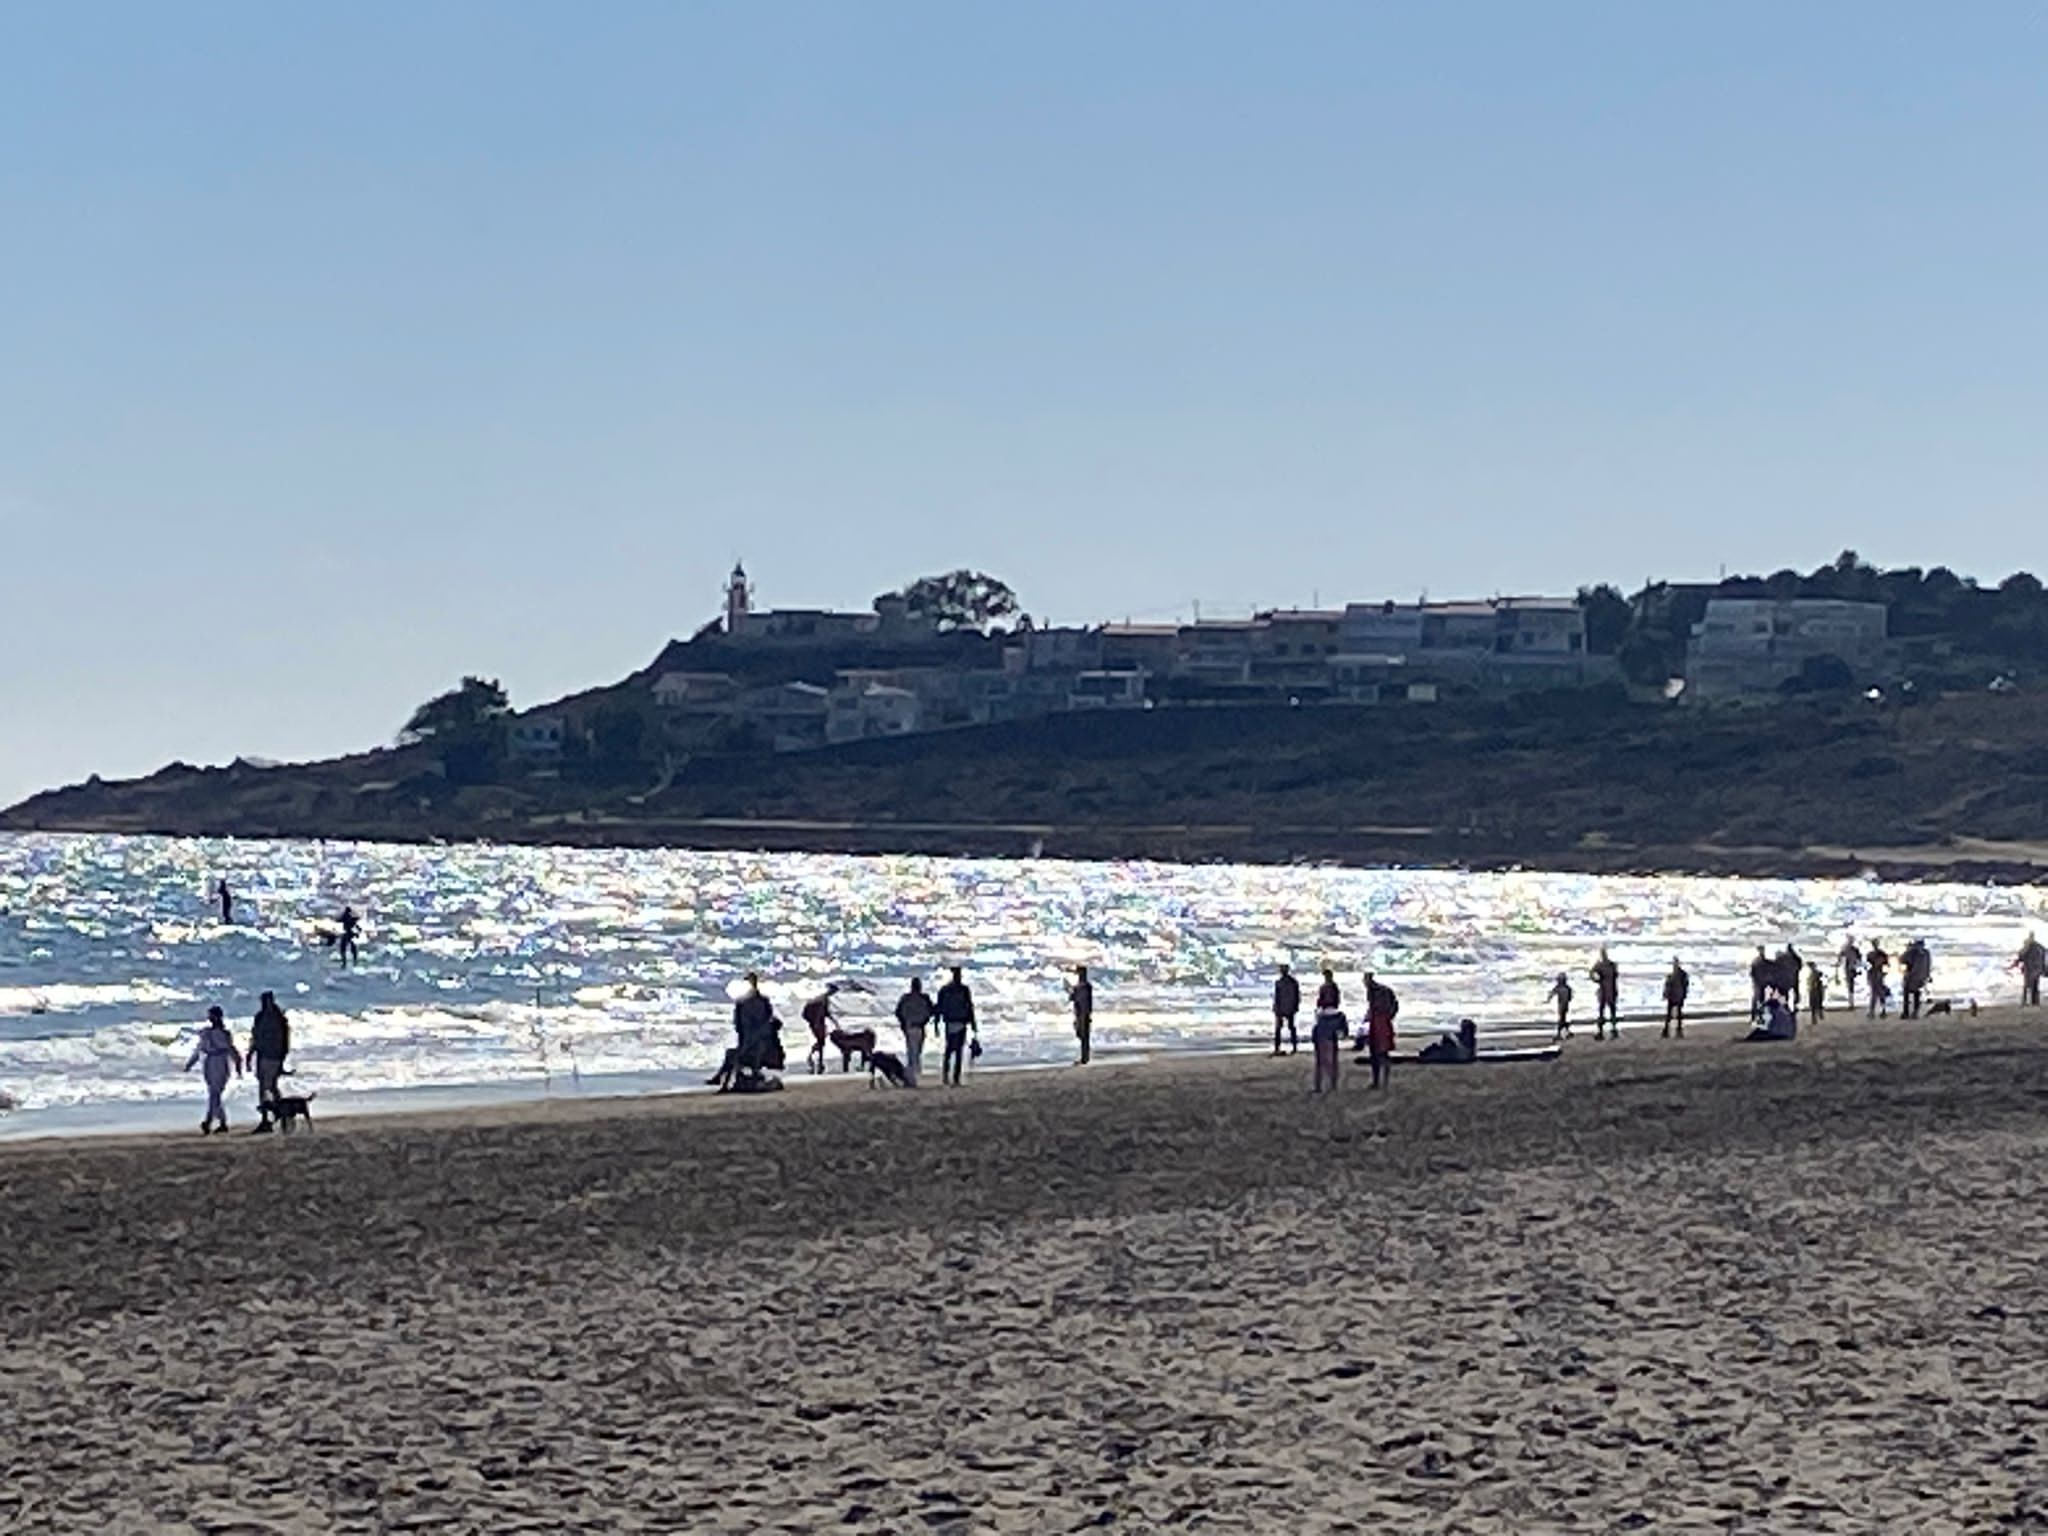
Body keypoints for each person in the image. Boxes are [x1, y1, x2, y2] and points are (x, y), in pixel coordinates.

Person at [184, 1006, 242, 1134]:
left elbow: (231, 1050)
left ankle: (213, 1121)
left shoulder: (223, 1034)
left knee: (215, 1093)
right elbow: (199, 1049)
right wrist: (190, 1063)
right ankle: (213, 1121)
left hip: (220, 1062)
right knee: (213, 1093)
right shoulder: (207, 1033)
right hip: (210, 1062)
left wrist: (238, 1064)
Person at [247, 991, 290, 1120]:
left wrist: (282, 1059)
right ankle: (266, 1117)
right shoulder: (260, 1017)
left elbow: (284, 1041)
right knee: (264, 1086)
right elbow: (255, 1037)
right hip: (263, 1055)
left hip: (274, 1056)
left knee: (270, 1086)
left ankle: (279, 1110)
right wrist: (250, 1053)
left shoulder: (279, 1019)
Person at [936, 966, 977, 1087]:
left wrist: (937, 1023)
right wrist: (973, 1023)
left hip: (952, 1022)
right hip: (958, 1022)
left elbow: (940, 1007)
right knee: (955, 1051)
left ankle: (948, 1077)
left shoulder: (946, 990)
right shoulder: (963, 990)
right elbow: (969, 1007)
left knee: (951, 1051)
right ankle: (953, 1078)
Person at [894, 977, 934, 1086]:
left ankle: (911, 1077)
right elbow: (931, 1011)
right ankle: (911, 1078)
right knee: (915, 1053)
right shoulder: (924, 998)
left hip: (910, 1027)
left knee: (912, 1053)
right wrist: (925, 1020)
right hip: (918, 1027)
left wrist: (903, 1024)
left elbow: (898, 1012)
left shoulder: (906, 998)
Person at [1361, 974, 1396, 1089]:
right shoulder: (1381, 990)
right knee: (1380, 1053)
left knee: (1379, 1054)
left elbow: (1374, 1008)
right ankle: (1382, 1081)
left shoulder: (1376, 992)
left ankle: (1380, 1081)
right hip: (1382, 1023)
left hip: (1379, 1024)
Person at [802, 985, 839, 1074]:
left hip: (817, 1023)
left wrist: (834, 1022)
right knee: (821, 1042)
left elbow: (826, 1013)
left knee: (821, 1043)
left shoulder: (823, 999)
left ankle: (818, 1062)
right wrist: (817, 1025)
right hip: (817, 1023)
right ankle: (815, 1060)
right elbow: (820, 1013)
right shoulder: (822, 1000)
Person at [1310, 1005, 1345, 1094]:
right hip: (1331, 1037)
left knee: (1320, 1062)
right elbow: (1343, 1032)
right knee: (1332, 1061)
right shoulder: (1340, 1016)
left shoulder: (1320, 1015)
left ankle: (1319, 1086)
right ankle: (1333, 1085)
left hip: (1321, 1035)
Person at [1590, 948, 1621, 1040]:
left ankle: (1602, 1032)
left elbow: (1591, 973)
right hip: (1610, 989)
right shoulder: (1612, 965)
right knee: (1611, 1011)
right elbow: (1616, 975)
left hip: (1605, 990)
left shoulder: (1600, 965)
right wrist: (1597, 980)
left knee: (1603, 1011)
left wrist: (1597, 980)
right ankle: (1612, 1030)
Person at [1271, 964, 1301, 1056]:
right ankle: (1294, 1047)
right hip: (1290, 1008)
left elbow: (1277, 997)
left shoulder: (1279, 983)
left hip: (1281, 1008)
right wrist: (1296, 1006)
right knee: (1291, 1028)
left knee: (1279, 1029)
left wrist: (1275, 1008)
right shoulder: (1293, 982)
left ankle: (1278, 1048)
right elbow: (1297, 996)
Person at [1900, 939, 1932, 1020]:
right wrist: (1927, 976)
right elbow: (1929, 965)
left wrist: (1908, 949)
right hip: (1921, 977)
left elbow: (1902, 959)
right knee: (1917, 994)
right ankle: (1915, 1012)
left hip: (1911, 976)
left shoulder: (1912, 952)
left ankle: (1906, 1013)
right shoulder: (1926, 953)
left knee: (1906, 994)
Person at [1068, 966, 1094, 1065]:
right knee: (1082, 1035)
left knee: (1083, 1036)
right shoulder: (1084, 986)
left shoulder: (1083, 986)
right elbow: (1073, 998)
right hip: (1081, 1013)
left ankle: (1085, 1057)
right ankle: (1085, 1057)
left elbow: (1074, 998)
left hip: (1083, 1013)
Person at [2016, 933, 2047, 1008]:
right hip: (2037, 969)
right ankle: (2035, 1002)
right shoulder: (2040, 947)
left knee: (2027, 986)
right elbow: (2045, 952)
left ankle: (2025, 1002)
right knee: (2035, 986)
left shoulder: (2027, 947)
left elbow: (2021, 955)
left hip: (2030, 969)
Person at [1662, 958, 1689, 1039]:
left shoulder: (1678, 974)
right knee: (1673, 1015)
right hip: (1675, 995)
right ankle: (1671, 1031)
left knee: (1673, 1015)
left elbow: (1684, 985)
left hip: (1676, 995)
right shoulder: (1678, 974)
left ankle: (1671, 1031)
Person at [1866, 942, 1892, 1019]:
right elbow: (1887, 965)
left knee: (1875, 993)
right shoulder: (1882, 954)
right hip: (1879, 974)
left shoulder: (1870, 954)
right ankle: (1882, 1010)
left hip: (1874, 974)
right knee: (1880, 993)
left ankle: (1873, 1011)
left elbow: (1868, 965)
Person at [1547, 971, 1573, 1042]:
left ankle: (1560, 1033)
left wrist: (1548, 1000)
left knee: (1561, 1020)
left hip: (1561, 1005)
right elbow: (1570, 997)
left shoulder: (1558, 987)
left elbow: (1551, 994)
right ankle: (1565, 1032)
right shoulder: (1568, 988)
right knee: (1563, 1019)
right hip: (1566, 1005)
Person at [1838, 938, 1863, 1008]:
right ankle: (1851, 1002)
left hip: (1850, 968)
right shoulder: (1852, 949)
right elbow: (1859, 958)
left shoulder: (1846, 949)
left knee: (1850, 985)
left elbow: (1840, 957)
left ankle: (1851, 1002)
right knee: (1850, 985)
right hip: (1850, 968)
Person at [1748, 946, 1771, 1023]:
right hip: (1758, 983)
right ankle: (1755, 1016)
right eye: (1761, 950)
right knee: (1758, 999)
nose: (1762, 952)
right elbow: (1752, 973)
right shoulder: (1758, 961)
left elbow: (1751, 973)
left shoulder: (1759, 961)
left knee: (1760, 999)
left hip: (1761, 983)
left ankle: (1758, 1016)